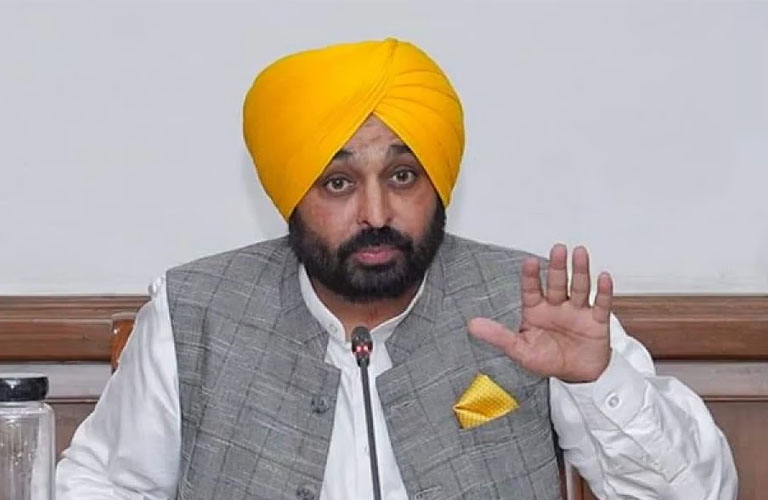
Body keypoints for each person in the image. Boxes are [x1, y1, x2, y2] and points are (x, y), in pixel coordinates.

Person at [56, 38, 736, 500]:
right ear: (290, 195)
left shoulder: (532, 308)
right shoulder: (196, 312)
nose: (376, 213)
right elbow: (101, 486)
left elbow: (701, 493)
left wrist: (598, 382)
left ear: (437, 182)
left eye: (403, 175)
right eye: (338, 183)